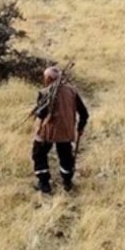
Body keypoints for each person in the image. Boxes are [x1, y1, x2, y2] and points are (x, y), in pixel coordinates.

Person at [31, 66, 89, 194]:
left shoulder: (45, 93)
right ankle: (67, 182)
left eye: (45, 77)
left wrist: (38, 114)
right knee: (66, 156)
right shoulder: (72, 92)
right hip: (66, 131)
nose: (44, 80)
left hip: (47, 132)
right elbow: (84, 113)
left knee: (38, 154)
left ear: (49, 79)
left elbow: (41, 114)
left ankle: (44, 183)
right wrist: (80, 127)